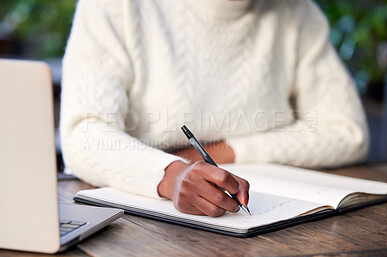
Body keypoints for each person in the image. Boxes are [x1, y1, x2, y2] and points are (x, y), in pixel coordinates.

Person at [60, 0, 369, 217]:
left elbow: (347, 132)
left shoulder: (298, 13)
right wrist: (171, 174)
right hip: (131, 211)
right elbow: (84, 132)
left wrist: (225, 152)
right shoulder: (118, 6)